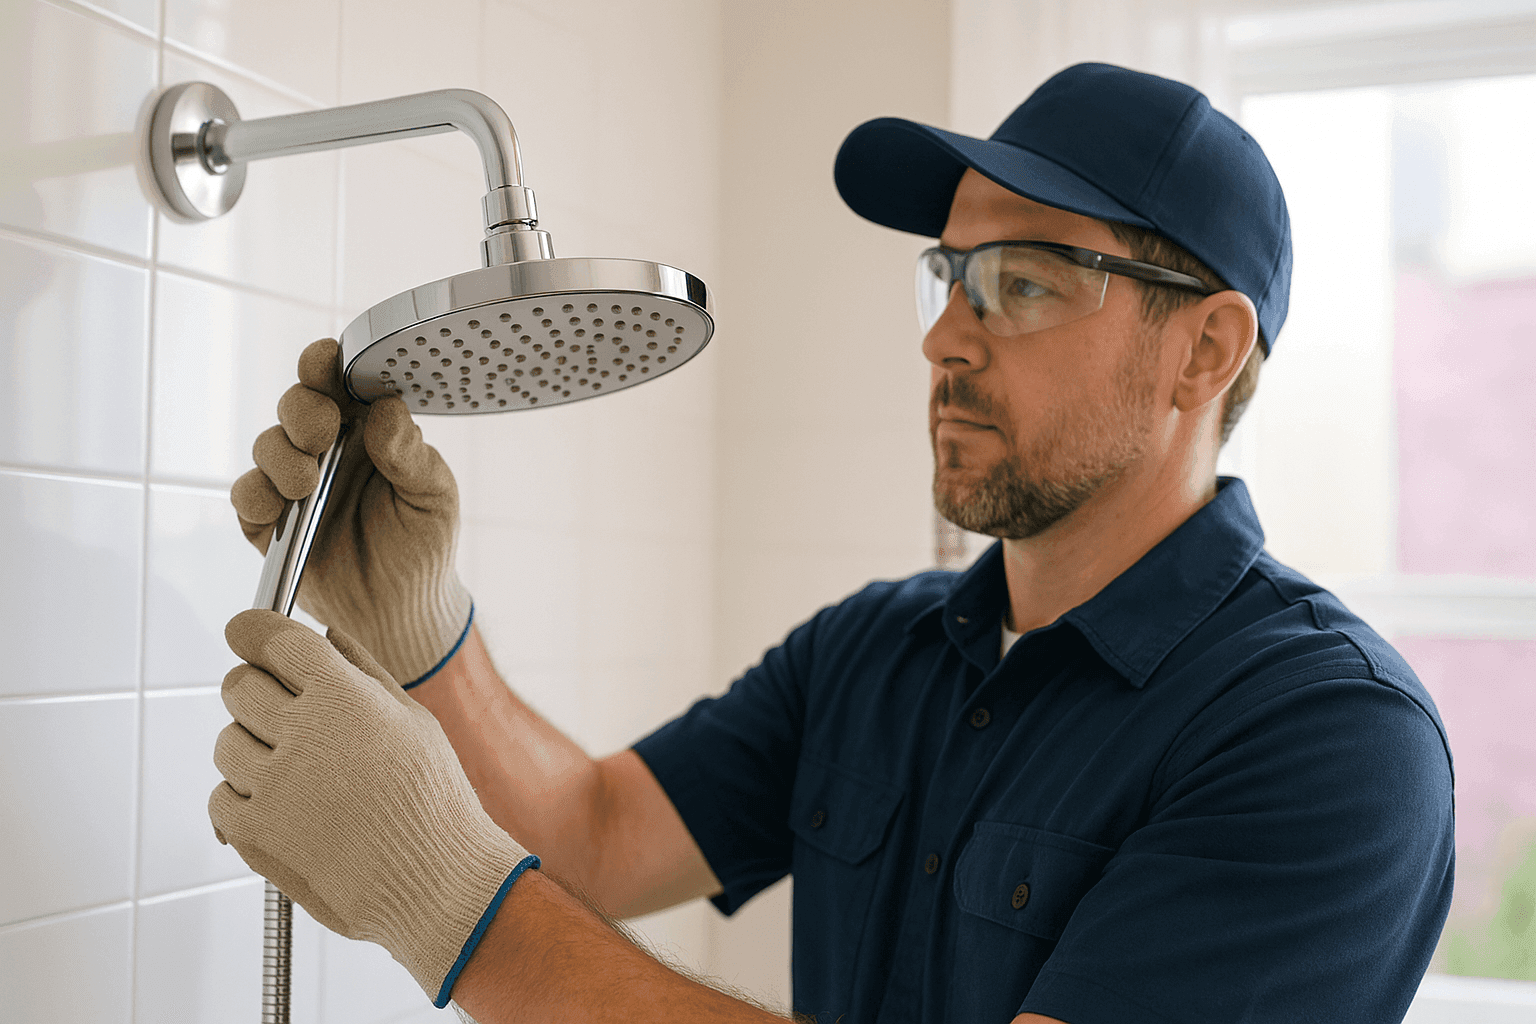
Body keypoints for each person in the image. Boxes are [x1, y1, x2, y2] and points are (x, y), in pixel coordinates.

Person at [212, 62, 1454, 1024]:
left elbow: (507, 880)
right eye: (950, 276)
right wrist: (423, 631)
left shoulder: (1329, 740)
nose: (946, 341)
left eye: (1022, 283)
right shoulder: (875, 650)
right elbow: (588, 835)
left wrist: (450, 901)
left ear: (1206, 350)